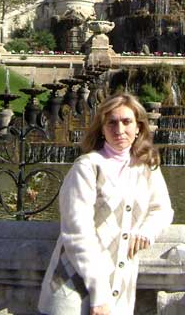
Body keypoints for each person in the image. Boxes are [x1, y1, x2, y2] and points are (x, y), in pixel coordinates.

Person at [38, 93, 173, 315]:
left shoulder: (146, 166)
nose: (119, 129)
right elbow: (77, 232)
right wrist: (99, 294)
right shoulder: (87, 166)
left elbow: (162, 209)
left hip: (120, 289)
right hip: (72, 288)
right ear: (102, 129)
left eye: (127, 122)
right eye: (112, 122)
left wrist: (147, 231)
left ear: (138, 127)